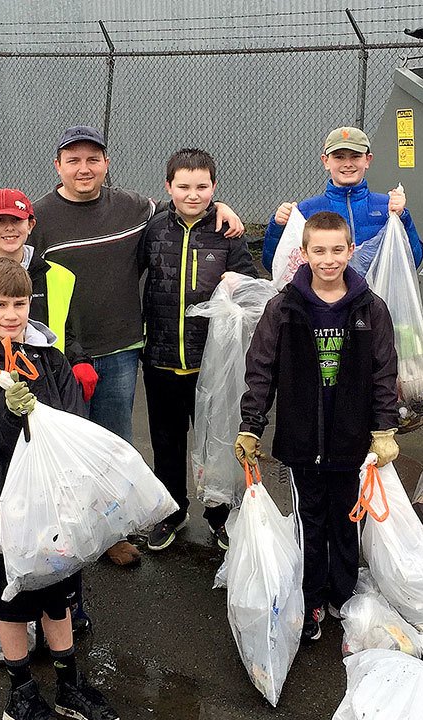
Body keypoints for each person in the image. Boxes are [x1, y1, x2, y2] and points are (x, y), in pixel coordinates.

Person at [30, 125, 244, 567]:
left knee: (115, 445)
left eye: (93, 159)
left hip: (124, 348)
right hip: (61, 352)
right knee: (65, 447)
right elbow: (17, 266)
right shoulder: (39, 217)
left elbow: (186, 210)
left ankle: (113, 533)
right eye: (74, 160)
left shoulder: (134, 209)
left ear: (106, 164)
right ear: (58, 166)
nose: (84, 168)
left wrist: (221, 208)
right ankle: (68, 533)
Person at [0, 258, 119, 720]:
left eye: (20, 303)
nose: (11, 313)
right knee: (10, 600)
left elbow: (72, 414)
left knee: (59, 592)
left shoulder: (50, 356)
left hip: (53, 500)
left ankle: (69, 684)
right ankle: (20, 691)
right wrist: (11, 414)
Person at [236, 211, 400, 642]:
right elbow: (261, 370)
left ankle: (342, 596)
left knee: (347, 521)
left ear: (350, 250)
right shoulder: (284, 308)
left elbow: (385, 372)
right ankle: (309, 600)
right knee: (309, 521)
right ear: (304, 253)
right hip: (301, 440)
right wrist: (251, 425)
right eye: (319, 251)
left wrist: (383, 429)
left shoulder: (370, 309)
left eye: (336, 250)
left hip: (350, 440)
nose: (328, 260)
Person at [139, 148, 258, 553]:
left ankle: (219, 516)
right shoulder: (153, 230)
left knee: (215, 444)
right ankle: (172, 512)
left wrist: (236, 283)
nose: (193, 195)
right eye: (184, 186)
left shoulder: (228, 233)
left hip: (213, 364)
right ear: (168, 187)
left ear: (214, 187)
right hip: (161, 359)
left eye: (202, 187)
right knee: (166, 442)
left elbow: (252, 289)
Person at [0, 188, 96, 436]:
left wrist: (79, 362)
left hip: (51, 404)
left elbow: (68, 331)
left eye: (16, 220)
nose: (9, 228)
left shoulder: (59, 277)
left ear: (30, 224)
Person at [261, 125, 423, 272]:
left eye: (355, 156)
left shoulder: (387, 208)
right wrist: (279, 226)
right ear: (325, 161)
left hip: (374, 302)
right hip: (324, 303)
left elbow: (413, 261)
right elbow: (275, 266)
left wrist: (403, 217)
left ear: (367, 160)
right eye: (339, 157)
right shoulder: (306, 211)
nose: (348, 164)